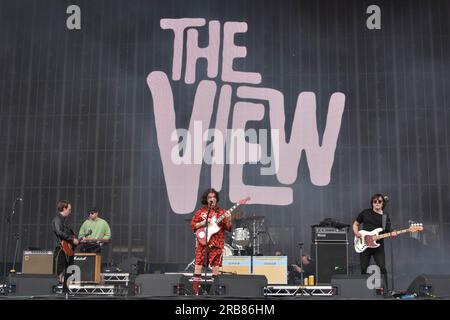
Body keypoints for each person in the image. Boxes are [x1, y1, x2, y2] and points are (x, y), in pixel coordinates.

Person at [190, 188, 232, 295]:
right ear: (206, 199)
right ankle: (195, 291)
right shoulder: (200, 212)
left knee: (215, 267)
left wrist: (229, 219)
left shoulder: (221, 212)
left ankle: (215, 291)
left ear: (216, 199)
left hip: (216, 243)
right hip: (203, 243)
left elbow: (228, 228)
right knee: (198, 266)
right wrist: (203, 222)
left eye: (214, 197)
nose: (212, 199)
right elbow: (193, 225)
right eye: (210, 197)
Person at [353, 193, 397, 293]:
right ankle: (363, 291)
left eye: (379, 201)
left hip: (378, 246)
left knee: (382, 267)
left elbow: (387, 230)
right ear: (372, 203)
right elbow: (355, 224)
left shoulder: (385, 216)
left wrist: (392, 232)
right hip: (364, 245)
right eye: (375, 201)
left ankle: (386, 290)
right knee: (364, 268)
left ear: (383, 204)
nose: (377, 203)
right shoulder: (365, 213)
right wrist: (356, 233)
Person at [51, 200, 78, 292]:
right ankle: (53, 290)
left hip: (68, 250)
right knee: (58, 270)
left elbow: (70, 235)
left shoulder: (65, 222)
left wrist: (76, 239)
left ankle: (65, 291)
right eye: (69, 210)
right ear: (64, 208)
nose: (70, 212)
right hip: (61, 249)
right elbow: (59, 232)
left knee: (70, 269)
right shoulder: (57, 219)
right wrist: (72, 239)